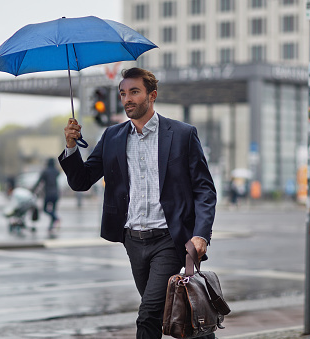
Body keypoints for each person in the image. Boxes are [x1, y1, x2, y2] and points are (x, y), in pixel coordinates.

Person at [59, 67, 217, 339]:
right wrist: (72, 147)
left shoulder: (181, 134)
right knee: (170, 310)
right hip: (133, 241)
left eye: (134, 92)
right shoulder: (112, 137)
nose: (127, 98)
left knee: (147, 315)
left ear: (152, 95)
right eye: (123, 93)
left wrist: (201, 234)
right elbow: (81, 181)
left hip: (170, 239)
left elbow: (204, 189)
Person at [33, 158, 60, 235]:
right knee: (53, 210)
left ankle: (55, 218)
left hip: (48, 193)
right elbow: (58, 174)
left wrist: (33, 190)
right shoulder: (56, 171)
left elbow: (39, 182)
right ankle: (51, 226)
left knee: (45, 209)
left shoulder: (45, 171)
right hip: (56, 194)